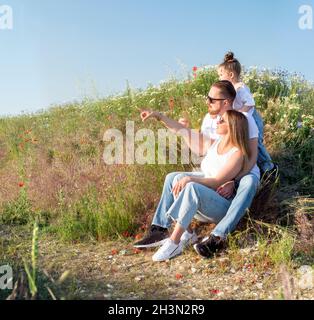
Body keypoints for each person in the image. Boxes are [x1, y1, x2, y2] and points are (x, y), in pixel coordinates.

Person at [134, 81, 261, 261]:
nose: (207, 102)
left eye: (212, 99)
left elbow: (251, 155)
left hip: (242, 173)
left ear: (225, 102)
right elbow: (186, 134)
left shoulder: (243, 119)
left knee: (247, 182)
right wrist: (159, 116)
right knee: (174, 177)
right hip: (216, 176)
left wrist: (234, 179)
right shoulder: (212, 123)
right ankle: (162, 230)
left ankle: (217, 236)